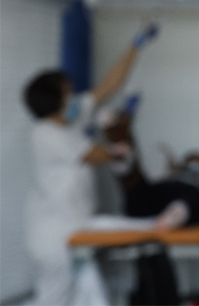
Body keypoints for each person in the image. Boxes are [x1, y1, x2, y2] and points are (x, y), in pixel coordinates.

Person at [22, 25, 156, 306]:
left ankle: (158, 225)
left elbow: (107, 88)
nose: (74, 97)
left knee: (89, 297)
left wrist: (136, 46)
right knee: (54, 299)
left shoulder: (69, 120)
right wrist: (120, 125)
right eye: (68, 92)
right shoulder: (47, 133)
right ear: (56, 100)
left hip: (77, 228)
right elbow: (100, 155)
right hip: (56, 237)